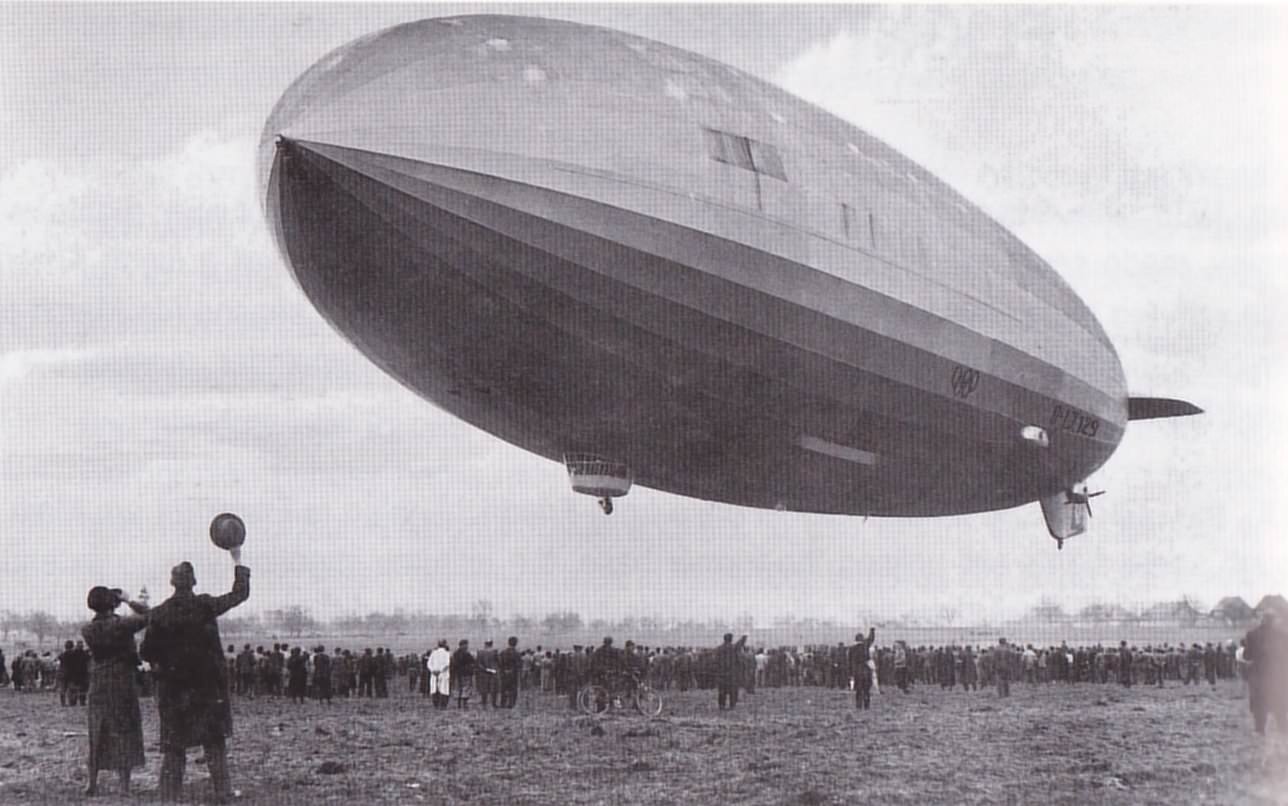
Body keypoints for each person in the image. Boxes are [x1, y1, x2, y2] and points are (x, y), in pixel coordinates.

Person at [140, 547, 250, 803]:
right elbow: (240, 593)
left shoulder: (159, 613)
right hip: (207, 688)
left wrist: (163, 665)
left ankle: (169, 796)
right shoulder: (205, 605)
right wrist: (237, 558)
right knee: (214, 742)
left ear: (171, 582)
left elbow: (146, 651)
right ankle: (222, 792)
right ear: (195, 582)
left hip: (173, 689)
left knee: (173, 745)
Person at [81, 586, 150, 796]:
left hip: (98, 682)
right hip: (122, 682)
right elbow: (149, 614)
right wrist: (128, 600)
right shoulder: (122, 625)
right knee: (124, 731)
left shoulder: (87, 629)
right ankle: (124, 787)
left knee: (97, 731)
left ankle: (92, 783)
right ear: (113, 603)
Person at [1244, 610, 1288, 734]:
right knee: (1280, 701)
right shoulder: (1283, 635)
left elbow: (1247, 656)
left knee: (1259, 702)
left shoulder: (1252, 634)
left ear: (1262, 619)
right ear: (1274, 620)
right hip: (1278, 674)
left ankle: (1260, 729)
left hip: (1259, 674)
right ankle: (1283, 729)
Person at [715, 633, 748, 710]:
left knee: (722, 690)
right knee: (733, 690)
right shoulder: (733, 648)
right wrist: (744, 637)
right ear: (731, 639)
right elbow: (739, 644)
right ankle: (732, 705)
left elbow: (715, 661)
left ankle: (721, 705)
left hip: (721, 673)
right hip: (732, 673)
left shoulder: (719, 649)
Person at [848, 628, 876, 709]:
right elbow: (871, 639)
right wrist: (872, 631)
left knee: (859, 690)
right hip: (866, 669)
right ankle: (867, 706)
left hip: (857, 671)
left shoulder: (852, 649)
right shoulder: (865, 646)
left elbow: (850, 662)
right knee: (867, 690)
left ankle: (858, 706)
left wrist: (850, 674)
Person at [451, 640, 476, 708]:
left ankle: (459, 704)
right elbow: (472, 662)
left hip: (458, 673)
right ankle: (464, 704)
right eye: (466, 644)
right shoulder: (466, 653)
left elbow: (453, 664)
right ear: (463, 645)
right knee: (466, 688)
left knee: (459, 688)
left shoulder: (455, 653)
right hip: (465, 673)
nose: (467, 646)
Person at [498, 636, 521, 708]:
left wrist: (504, 670)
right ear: (516, 643)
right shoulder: (517, 653)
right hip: (513, 673)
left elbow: (499, 663)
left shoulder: (503, 652)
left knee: (504, 688)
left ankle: (503, 703)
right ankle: (511, 703)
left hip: (504, 672)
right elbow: (518, 664)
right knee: (513, 689)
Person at [427, 640, 451, 709]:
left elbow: (429, 664)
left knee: (434, 689)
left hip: (434, 674)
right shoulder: (446, 653)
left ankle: (436, 705)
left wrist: (433, 670)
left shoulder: (433, 653)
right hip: (443, 674)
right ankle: (443, 706)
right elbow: (447, 664)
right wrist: (440, 670)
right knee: (444, 689)